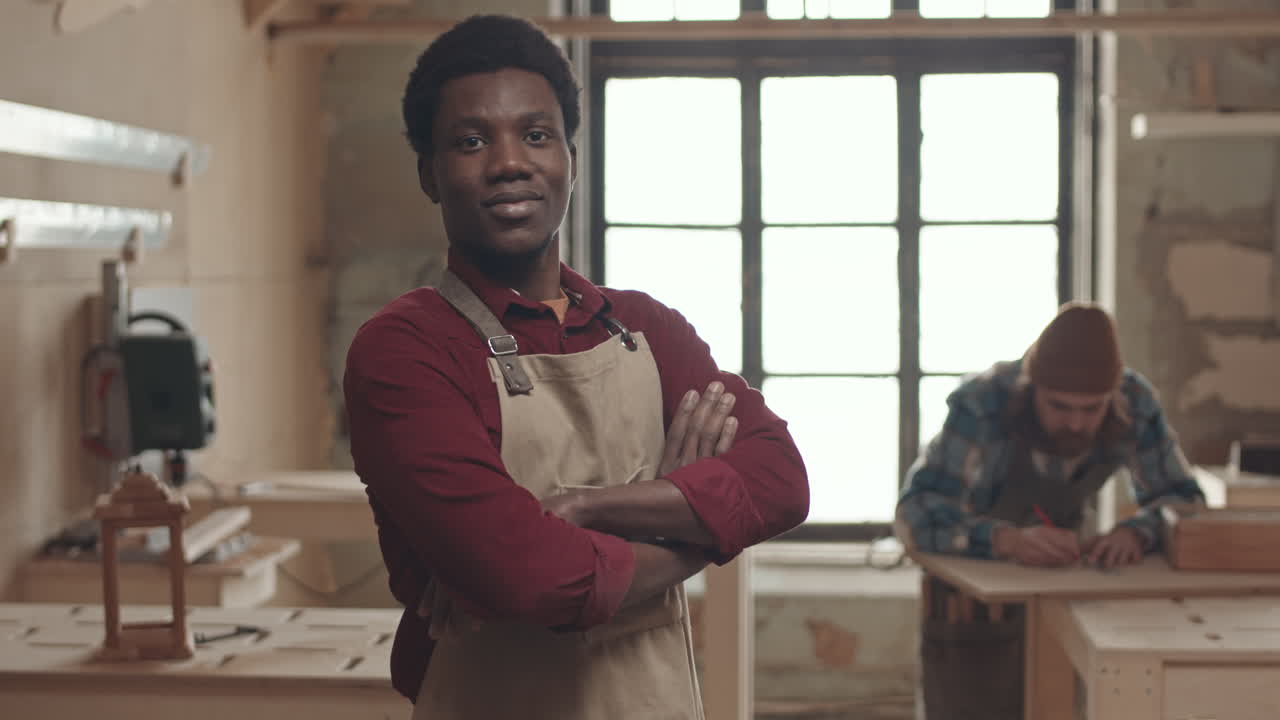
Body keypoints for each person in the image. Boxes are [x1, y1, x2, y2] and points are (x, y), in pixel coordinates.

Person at [342, 14, 809, 720]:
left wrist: (588, 507)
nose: (508, 162)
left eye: (536, 135)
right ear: (429, 175)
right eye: (471, 141)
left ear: (570, 156)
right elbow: (529, 579)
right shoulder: (405, 352)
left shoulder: (645, 328)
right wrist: (689, 537)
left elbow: (781, 479)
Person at [896, 301, 1204, 720]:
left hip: (1067, 591)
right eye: (1059, 406)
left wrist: (1136, 532)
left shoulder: (1135, 401)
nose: (1076, 424)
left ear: (1111, 398)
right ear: (1030, 388)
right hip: (973, 604)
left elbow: (1185, 500)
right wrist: (1006, 540)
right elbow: (916, 511)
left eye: (1091, 409)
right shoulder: (982, 402)